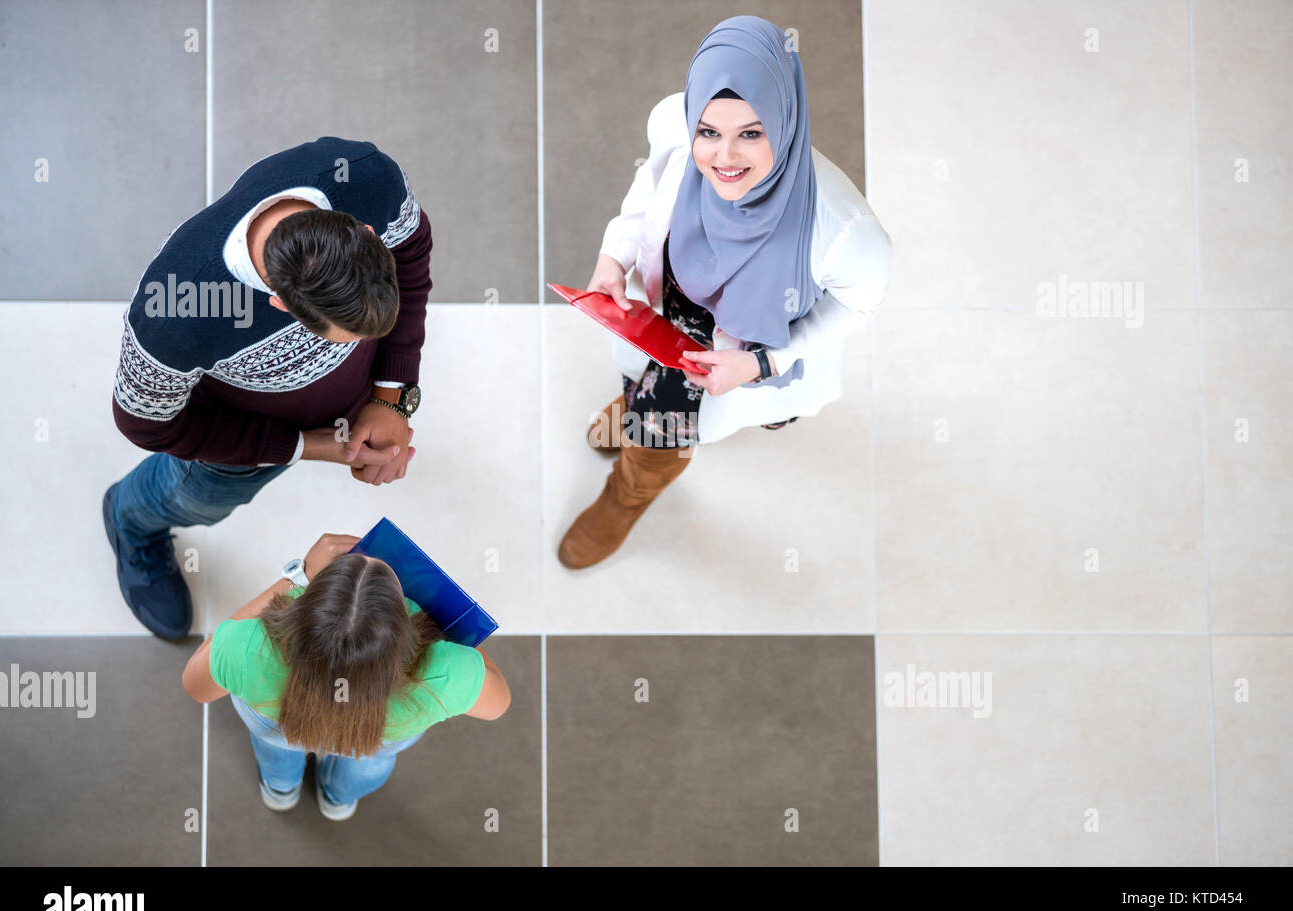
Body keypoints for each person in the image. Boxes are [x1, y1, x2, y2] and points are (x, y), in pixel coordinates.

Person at [558, 15, 893, 569]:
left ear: (785, 123)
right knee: (649, 387)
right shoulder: (674, 124)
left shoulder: (846, 233)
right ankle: (634, 420)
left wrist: (762, 364)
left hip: (757, 339)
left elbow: (858, 303)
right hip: (672, 306)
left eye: (752, 133)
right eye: (709, 131)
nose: (725, 158)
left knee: (672, 429)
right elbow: (650, 185)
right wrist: (612, 257)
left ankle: (630, 494)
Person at [105, 137, 432, 640]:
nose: (365, 347)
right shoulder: (173, 312)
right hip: (242, 442)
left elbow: (410, 256)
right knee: (198, 502)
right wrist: (298, 447)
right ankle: (132, 520)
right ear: (280, 305)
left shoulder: (368, 177)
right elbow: (146, 422)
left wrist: (390, 393)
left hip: (343, 407)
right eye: (347, 339)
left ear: (366, 231)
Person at [181, 533, 511, 820]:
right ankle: (337, 799)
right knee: (368, 763)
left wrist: (300, 576)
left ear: (305, 609)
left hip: (276, 724)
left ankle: (281, 791)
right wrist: (441, 623)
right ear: (404, 631)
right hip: (377, 735)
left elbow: (195, 686)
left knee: (276, 751)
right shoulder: (446, 672)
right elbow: (499, 704)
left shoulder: (247, 648)